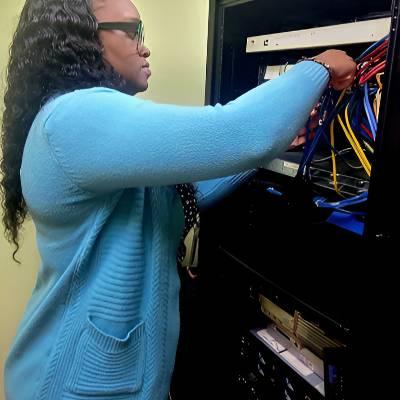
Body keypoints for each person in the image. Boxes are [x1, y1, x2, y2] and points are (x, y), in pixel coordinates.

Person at [0, 0, 356, 399]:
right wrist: (319, 67)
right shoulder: (73, 116)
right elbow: (239, 129)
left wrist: (267, 149)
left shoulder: (80, 122)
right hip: (70, 383)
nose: (144, 46)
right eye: (133, 30)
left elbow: (185, 191)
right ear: (81, 39)